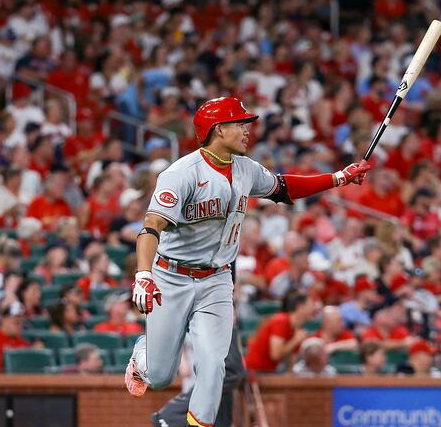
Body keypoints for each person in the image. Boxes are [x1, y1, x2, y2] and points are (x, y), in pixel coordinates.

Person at [124, 97, 370, 427]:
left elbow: (283, 188)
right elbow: (151, 225)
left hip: (217, 280)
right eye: (239, 123)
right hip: (172, 276)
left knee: (214, 364)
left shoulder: (245, 168)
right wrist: (143, 274)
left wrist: (339, 177)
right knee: (158, 374)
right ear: (217, 129)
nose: (246, 129)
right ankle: (142, 357)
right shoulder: (180, 174)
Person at [244, 290, 318, 373]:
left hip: (269, 372)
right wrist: (295, 341)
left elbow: (291, 362)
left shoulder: (297, 329)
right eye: (311, 304)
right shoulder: (281, 321)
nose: (314, 308)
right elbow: (275, 354)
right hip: (254, 372)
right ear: (300, 307)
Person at [0, 302, 31, 372]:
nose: (19, 325)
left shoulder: (23, 342)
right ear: (3, 319)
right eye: (16, 321)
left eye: (21, 321)